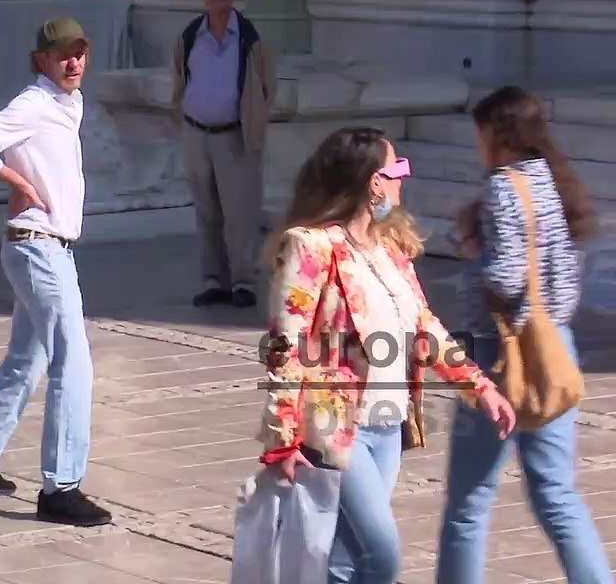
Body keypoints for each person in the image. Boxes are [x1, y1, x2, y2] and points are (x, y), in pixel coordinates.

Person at [259, 127, 515, 584]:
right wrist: (283, 439)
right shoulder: (311, 245)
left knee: (344, 559)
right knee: (382, 556)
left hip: (390, 424)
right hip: (337, 427)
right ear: (373, 181)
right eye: (398, 170)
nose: (403, 180)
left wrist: (481, 388)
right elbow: (286, 345)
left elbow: (425, 327)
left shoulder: (390, 248)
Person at [436, 86, 612, 584]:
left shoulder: (503, 186)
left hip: (501, 354)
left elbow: (508, 276)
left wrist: (472, 248)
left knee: (468, 502)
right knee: (556, 492)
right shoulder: (548, 181)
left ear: (496, 134)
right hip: (553, 348)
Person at [0, 17, 111, 528]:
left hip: (46, 246)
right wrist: (14, 179)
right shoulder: (34, 104)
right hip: (38, 248)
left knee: (28, 358)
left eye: (80, 51)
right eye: (62, 54)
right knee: (73, 362)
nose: (74, 61)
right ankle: (61, 487)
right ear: (41, 59)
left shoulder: (67, 103)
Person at [172, 0, 275, 308]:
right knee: (206, 212)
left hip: (235, 136)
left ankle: (244, 282)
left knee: (240, 214)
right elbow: (179, 80)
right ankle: (214, 279)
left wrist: (254, 123)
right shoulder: (190, 36)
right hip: (197, 134)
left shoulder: (249, 37)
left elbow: (266, 85)